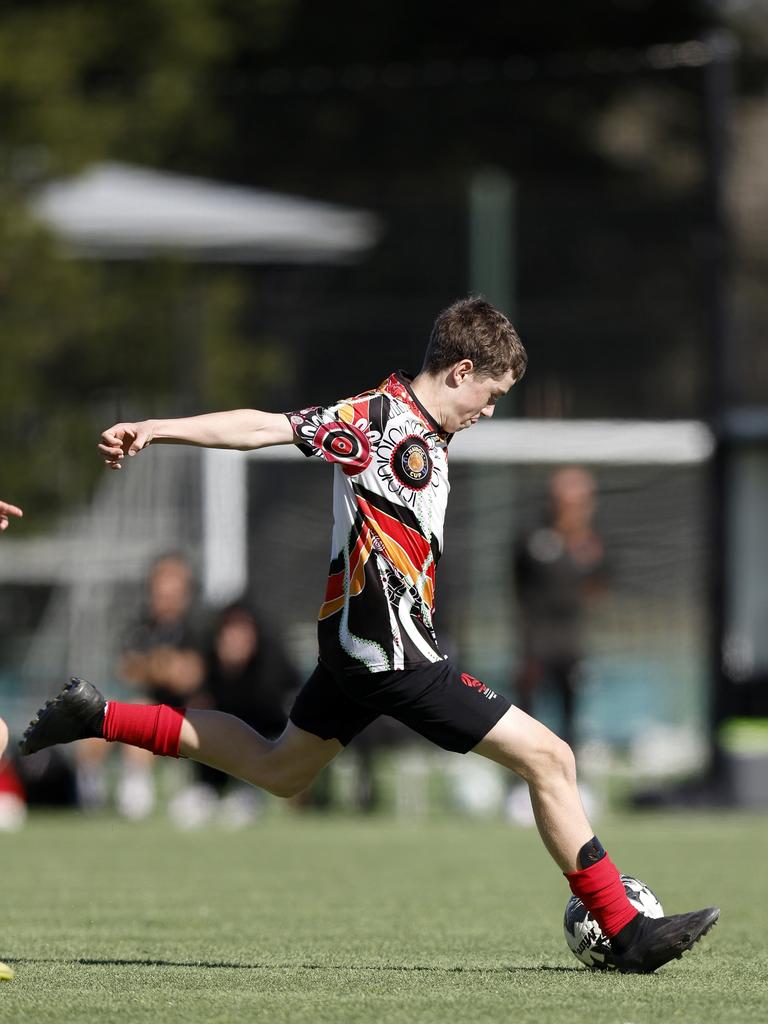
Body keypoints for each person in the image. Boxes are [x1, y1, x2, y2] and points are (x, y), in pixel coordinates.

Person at [19, 297, 717, 972]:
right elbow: (261, 425)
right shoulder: (376, 419)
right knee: (551, 758)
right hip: (395, 656)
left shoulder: (417, 429)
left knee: (278, 767)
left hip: (360, 649)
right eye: (492, 394)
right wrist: (157, 429)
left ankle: (100, 715)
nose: (489, 411)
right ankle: (626, 930)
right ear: (460, 371)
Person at [75, 553, 206, 818]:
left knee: (140, 712)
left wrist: (152, 666)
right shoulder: (140, 627)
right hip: (147, 705)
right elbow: (127, 669)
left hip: (189, 715)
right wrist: (161, 664)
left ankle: (136, 793)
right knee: (98, 717)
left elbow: (187, 675)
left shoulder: (197, 628)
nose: (164, 597)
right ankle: (89, 793)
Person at [513, 467, 606, 748]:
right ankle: (521, 782)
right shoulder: (534, 540)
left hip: (573, 642)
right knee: (527, 715)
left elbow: (599, 588)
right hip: (537, 642)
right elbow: (519, 582)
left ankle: (574, 779)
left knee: (571, 714)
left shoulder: (594, 546)